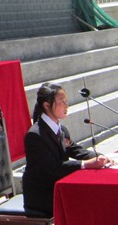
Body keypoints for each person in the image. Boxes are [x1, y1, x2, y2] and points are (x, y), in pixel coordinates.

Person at [22, 82, 111, 216]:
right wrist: (86, 164)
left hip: (59, 186)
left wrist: (100, 157)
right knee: (89, 200)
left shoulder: (61, 130)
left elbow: (75, 150)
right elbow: (52, 167)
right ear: (47, 105)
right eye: (61, 102)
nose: (66, 105)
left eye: (66, 101)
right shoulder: (35, 135)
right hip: (43, 195)